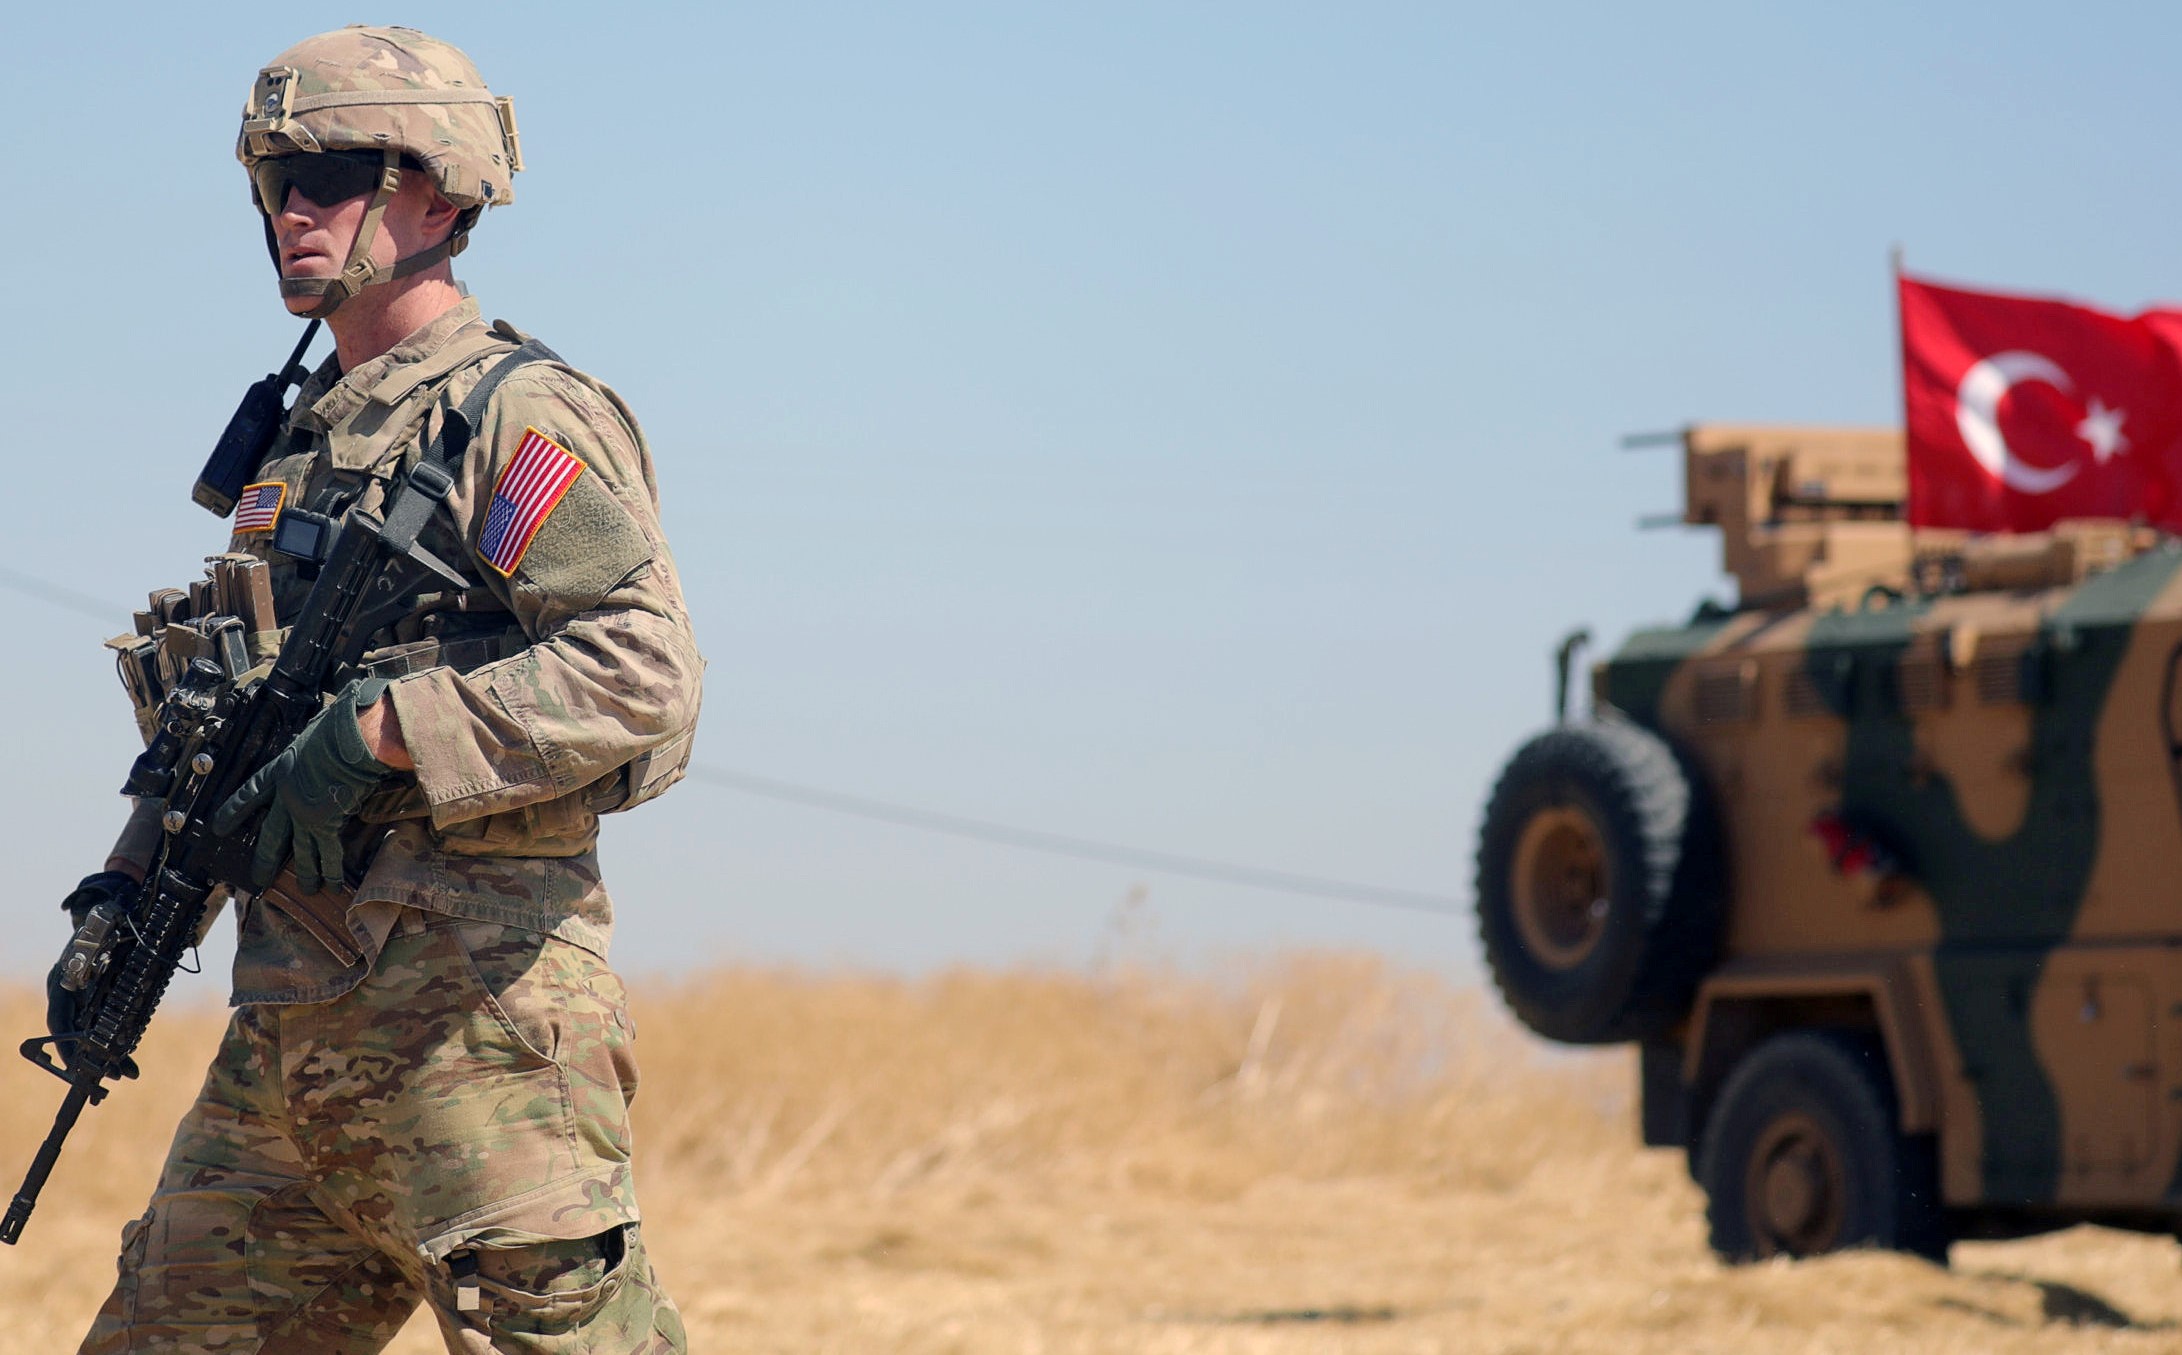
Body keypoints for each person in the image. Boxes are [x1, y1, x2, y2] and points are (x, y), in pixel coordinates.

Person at [61, 25, 697, 1352]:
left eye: (333, 171)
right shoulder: (306, 442)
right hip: (291, 1055)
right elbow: (229, 719)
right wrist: (124, 890)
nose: (293, 207)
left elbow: (641, 673)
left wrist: (386, 731)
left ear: (439, 195)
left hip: (481, 1043)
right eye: (273, 179)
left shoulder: (514, 419)